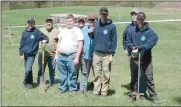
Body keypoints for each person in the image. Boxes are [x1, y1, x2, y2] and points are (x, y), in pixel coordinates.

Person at [126, 12, 160, 105]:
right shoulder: (132, 30)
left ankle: (153, 96)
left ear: (144, 20)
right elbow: (127, 42)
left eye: (141, 19)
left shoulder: (149, 32)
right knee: (134, 77)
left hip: (146, 58)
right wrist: (133, 47)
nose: (139, 21)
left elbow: (151, 42)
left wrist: (140, 47)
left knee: (149, 78)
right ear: (136, 19)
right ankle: (133, 93)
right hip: (135, 58)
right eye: (138, 19)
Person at [89, 7, 117, 96]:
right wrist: (90, 33)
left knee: (106, 74)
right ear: (100, 14)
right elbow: (93, 37)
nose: (103, 15)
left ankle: (104, 91)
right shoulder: (96, 25)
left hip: (107, 54)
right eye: (102, 14)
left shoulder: (112, 26)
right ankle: (96, 90)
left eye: (105, 14)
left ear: (107, 14)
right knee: (96, 74)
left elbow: (114, 41)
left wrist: (111, 54)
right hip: (96, 53)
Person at [54, 14, 84, 93]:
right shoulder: (63, 30)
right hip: (61, 56)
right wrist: (56, 55)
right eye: (67, 21)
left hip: (72, 56)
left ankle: (73, 89)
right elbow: (59, 42)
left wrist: (77, 57)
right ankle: (62, 88)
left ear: (73, 21)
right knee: (62, 74)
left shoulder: (77, 31)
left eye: (70, 21)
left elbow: (80, 44)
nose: (69, 22)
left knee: (72, 74)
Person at [19, 18, 49, 89]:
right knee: (28, 69)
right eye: (29, 23)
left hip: (32, 54)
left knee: (28, 70)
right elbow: (21, 43)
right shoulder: (24, 32)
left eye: (32, 23)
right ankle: (29, 84)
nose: (30, 24)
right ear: (27, 23)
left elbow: (46, 38)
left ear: (34, 24)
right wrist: (21, 54)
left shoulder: (37, 32)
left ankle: (25, 80)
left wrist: (45, 40)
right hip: (25, 54)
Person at [77, 13, 97, 93]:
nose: (91, 21)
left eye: (93, 20)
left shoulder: (99, 28)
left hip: (96, 56)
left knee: (97, 74)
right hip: (85, 56)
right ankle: (83, 88)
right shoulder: (83, 29)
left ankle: (96, 89)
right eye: (90, 20)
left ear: (96, 20)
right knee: (84, 73)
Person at [37, 18, 59, 86]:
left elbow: (59, 42)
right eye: (47, 22)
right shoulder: (40, 30)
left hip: (52, 54)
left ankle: (52, 81)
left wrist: (57, 54)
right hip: (42, 53)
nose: (48, 24)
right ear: (45, 23)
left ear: (52, 24)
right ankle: (40, 81)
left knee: (52, 68)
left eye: (50, 22)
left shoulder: (56, 31)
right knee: (41, 68)